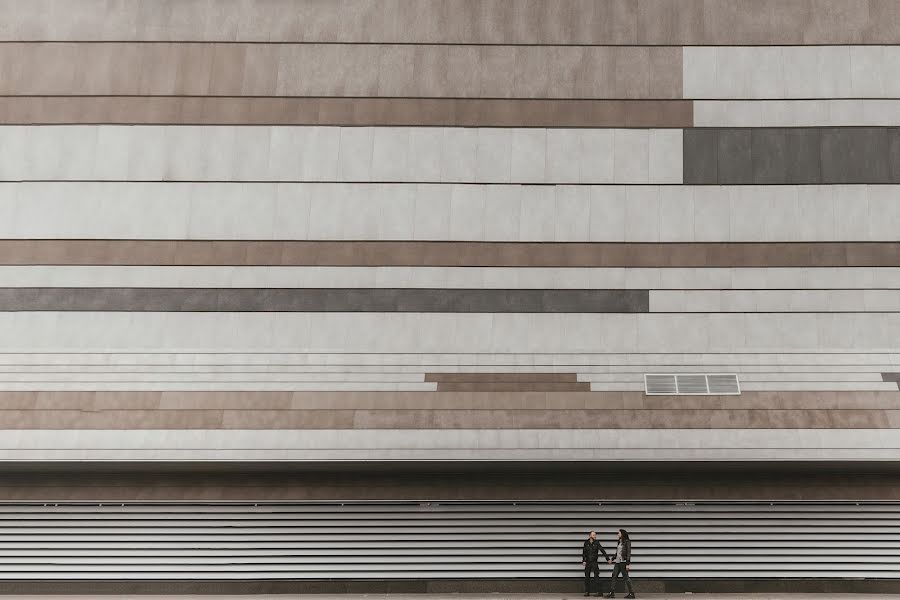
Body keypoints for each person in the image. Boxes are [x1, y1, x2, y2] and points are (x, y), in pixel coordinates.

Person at [605, 528, 634, 598]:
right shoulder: (619, 542)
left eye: (619, 533)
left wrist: (627, 564)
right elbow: (617, 553)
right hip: (617, 562)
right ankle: (611, 593)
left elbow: (628, 553)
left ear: (622, 534)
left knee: (626, 578)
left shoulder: (627, 542)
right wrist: (612, 559)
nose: (618, 534)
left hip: (623, 562)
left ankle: (631, 593)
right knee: (614, 576)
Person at [581, 530, 610, 597]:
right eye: (593, 535)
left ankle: (599, 592)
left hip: (594, 562)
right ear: (590, 535)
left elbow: (602, 550)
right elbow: (584, 552)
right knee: (587, 577)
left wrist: (607, 559)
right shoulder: (586, 543)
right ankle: (587, 591)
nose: (595, 536)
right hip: (588, 562)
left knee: (596, 577)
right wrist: (583, 560)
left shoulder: (597, 542)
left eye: (595, 535)